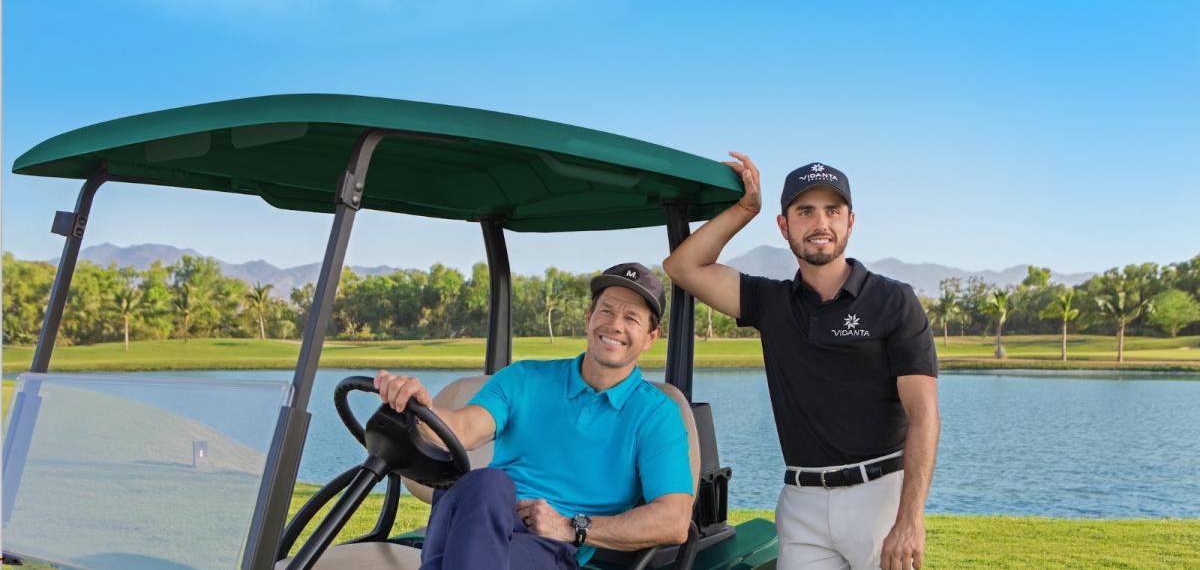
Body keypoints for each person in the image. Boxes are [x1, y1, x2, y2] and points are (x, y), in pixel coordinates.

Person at [662, 155, 939, 570]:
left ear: (850, 222)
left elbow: (924, 414)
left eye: (833, 211)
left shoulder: (893, 301)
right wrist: (744, 209)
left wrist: (910, 518)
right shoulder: (769, 302)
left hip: (879, 497)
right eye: (805, 211)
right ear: (784, 225)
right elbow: (682, 266)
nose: (820, 223)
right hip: (801, 504)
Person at [374, 262, 694, 570]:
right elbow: (462, 428)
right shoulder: (525, 378)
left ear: (652, 336)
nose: (614, 325)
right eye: (606, 310)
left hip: (545, 545)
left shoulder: (657, 415)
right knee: (487, 482)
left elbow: (674, 520)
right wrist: (418, 408)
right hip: (479, 512)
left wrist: (571, 527)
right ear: (589, 318)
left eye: (632, 318)